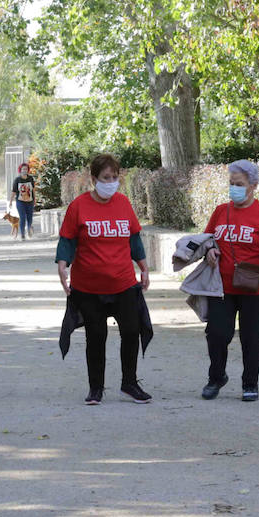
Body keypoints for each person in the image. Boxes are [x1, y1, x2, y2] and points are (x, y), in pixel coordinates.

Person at [56, 153, 152, 404]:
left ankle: (129, 383)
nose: (111, 181)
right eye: (105, 177)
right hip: (89, 286)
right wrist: (62, 266)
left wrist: (143, 267)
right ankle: (96, 388)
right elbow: (67, 240)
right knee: (96, 336)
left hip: (123, 282)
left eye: (114, 177)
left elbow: (134, 239)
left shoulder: (123, 203)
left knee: (132, 331)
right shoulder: (79, 206)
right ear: (93, 179)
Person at [200, 160, 259, 402]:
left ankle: (250, 383)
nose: (234, 188)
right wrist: (209, 249)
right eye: (231, 184)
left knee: (252, 338)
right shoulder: (221, 211)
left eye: (239, 184)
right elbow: (207, 238)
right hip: (222, 286)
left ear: (253, 185)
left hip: (255, 288)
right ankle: (216, 377)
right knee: (216, 333)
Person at [11, 162, 36, 239]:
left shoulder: (30, 178)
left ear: (28, 170)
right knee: (22, 217)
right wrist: (11, 201)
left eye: (26, 169)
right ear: (20, 170)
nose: (24, 170)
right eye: (23, 169)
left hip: (30, 201)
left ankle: (28, 229)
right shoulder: (17, 180)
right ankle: (22, 234)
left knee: (30, 217)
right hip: (20, 201)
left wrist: (35, 199)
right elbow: (14, 191)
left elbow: (33, 190)